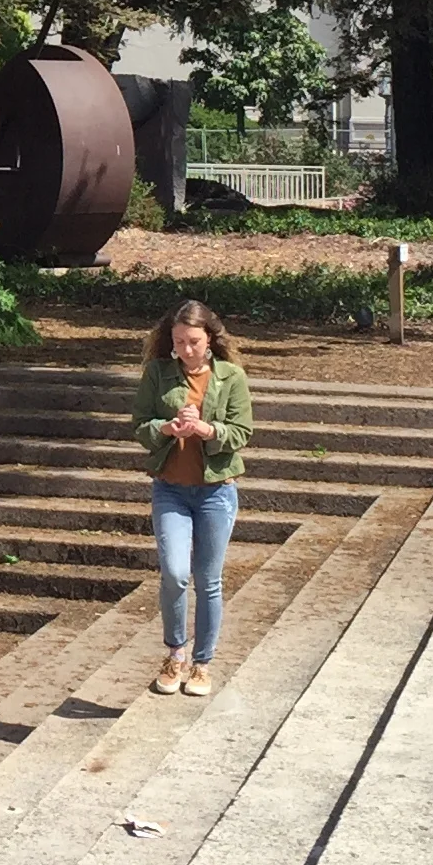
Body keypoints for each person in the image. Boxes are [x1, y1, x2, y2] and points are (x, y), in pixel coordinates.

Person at [132, 299, 253, 698]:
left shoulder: (230, 376)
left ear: (211, 340)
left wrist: (206, 430)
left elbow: (241, 432)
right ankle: (174, 653)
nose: (186, 350)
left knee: (208, 579)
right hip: (170, 488)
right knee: (174, 572)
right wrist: (166, 428)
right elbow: (140, 426)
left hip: (216, 491)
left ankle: (202, 663)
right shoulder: (157, 373)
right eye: (179, 341)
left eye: (194, 342)